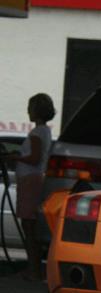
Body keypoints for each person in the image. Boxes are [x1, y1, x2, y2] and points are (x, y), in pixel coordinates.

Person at [6, 94, 54, 281]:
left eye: (30, 107)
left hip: (29, 180)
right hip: (33, 179)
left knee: (29, 225)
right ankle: (33, 268)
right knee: (30, 225)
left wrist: (15, 157)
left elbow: (34, 159)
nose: (28, 111)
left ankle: (32, 270)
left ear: (36, 110)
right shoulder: (44, 131)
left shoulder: (36, 133)